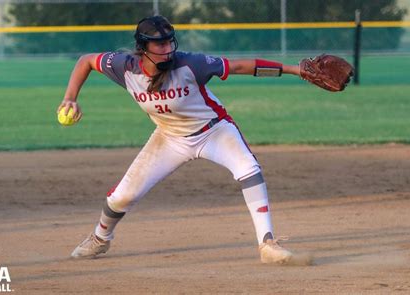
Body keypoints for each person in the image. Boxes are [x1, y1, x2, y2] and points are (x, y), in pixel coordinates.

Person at [59, 15, 303, 264]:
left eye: (169, 42)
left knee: (249, 169)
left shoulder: (190, 63)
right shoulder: (125, 67)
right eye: (159, 44)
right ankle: (100, 239)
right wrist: (70, 98)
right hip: (168, 137)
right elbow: (86, 61)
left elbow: (242, 66)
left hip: (214, 131)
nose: (167, 50)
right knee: (122, 197)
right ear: (143, 48)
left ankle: (267, 243)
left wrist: (296, 70)